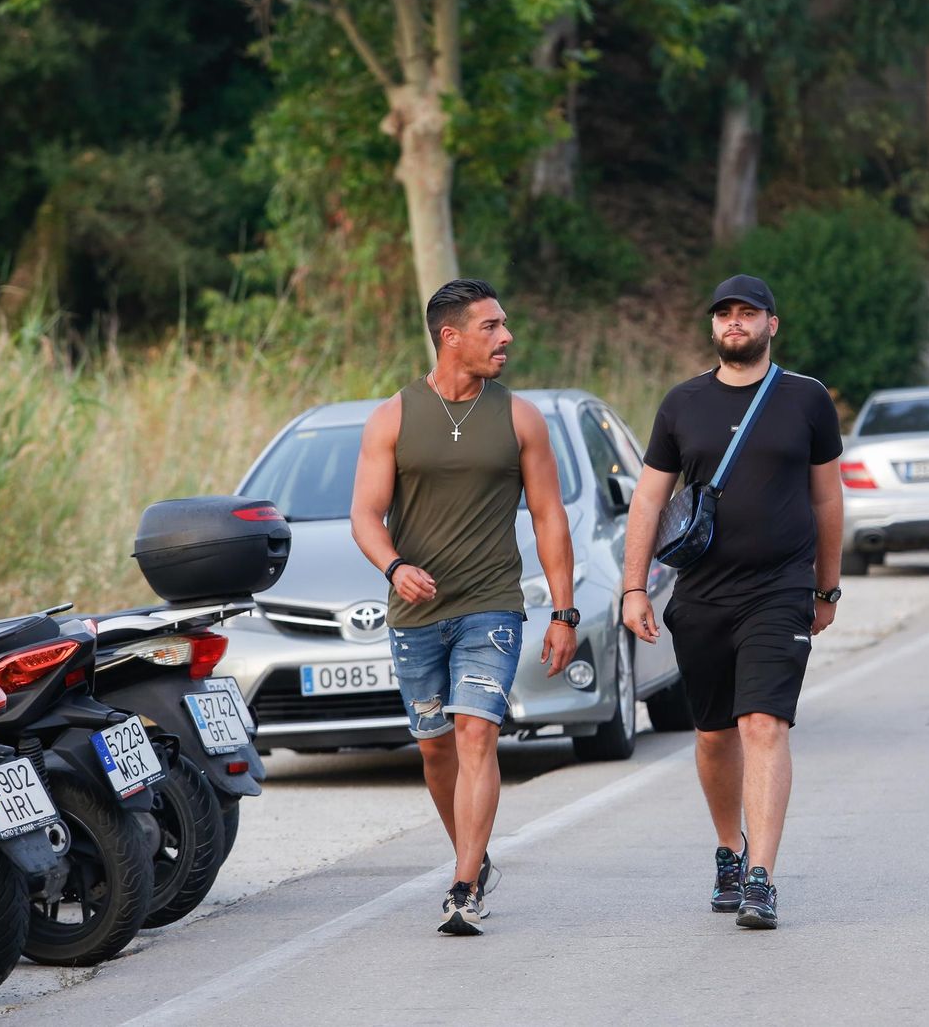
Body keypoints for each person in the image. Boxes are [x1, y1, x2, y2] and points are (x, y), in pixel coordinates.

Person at [350, 278, 580, 936]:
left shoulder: (519, 417)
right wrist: (394, 567)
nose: (506, 337)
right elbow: (365, 515)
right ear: (450, 336)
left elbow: (548, 517)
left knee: (477, 730)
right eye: (491, 327)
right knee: (436, 751)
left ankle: (461, 885)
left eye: (504, 325)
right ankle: (472, 859)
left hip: (491, 606)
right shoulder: (393, 416)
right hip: (416, 615)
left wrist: (562, 613)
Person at [619, 274, 843, 931]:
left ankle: (763, 876)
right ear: (713, 328)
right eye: (725, 314)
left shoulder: (807, 401)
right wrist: (635, 587)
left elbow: (827, 498)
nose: (735, 323)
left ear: (773, 324)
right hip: (703, 595)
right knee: (715, 736)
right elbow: (649, 500)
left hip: (780, 588)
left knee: (763, 726)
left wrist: (826, 586)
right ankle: (729, 848)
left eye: (748, 313)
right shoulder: (682, 403)